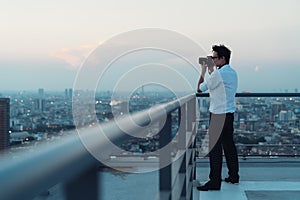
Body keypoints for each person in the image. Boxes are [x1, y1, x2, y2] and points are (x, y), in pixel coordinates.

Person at [196, 44, 239, 191]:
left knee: (214, 149)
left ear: (222, 58)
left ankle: (214, 182)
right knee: (228, 146)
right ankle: (234, 176)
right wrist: (211, 70)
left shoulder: (218, 74)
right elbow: (216, 84)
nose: (212, 60)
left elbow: (200, 88)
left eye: (214, 58)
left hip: (218, 115)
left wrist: (203, 71)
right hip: (229, 114)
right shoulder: (232, 73)